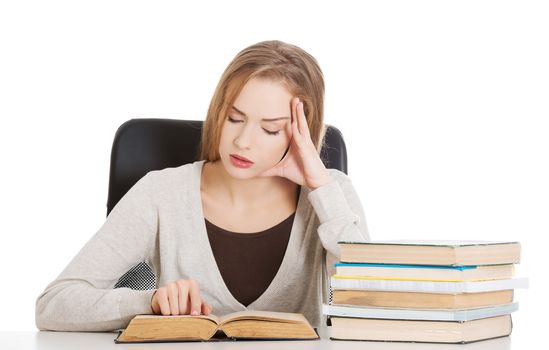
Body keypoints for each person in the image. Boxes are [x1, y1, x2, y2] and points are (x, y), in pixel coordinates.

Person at [35, 40, 370, 331]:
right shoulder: (162, 193)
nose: (242, 141)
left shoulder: (330, 193)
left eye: (269, 129)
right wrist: (150, 303)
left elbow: (370, 300)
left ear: (301, 132)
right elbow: (53, 304)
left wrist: (321, 188)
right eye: (234, 119)